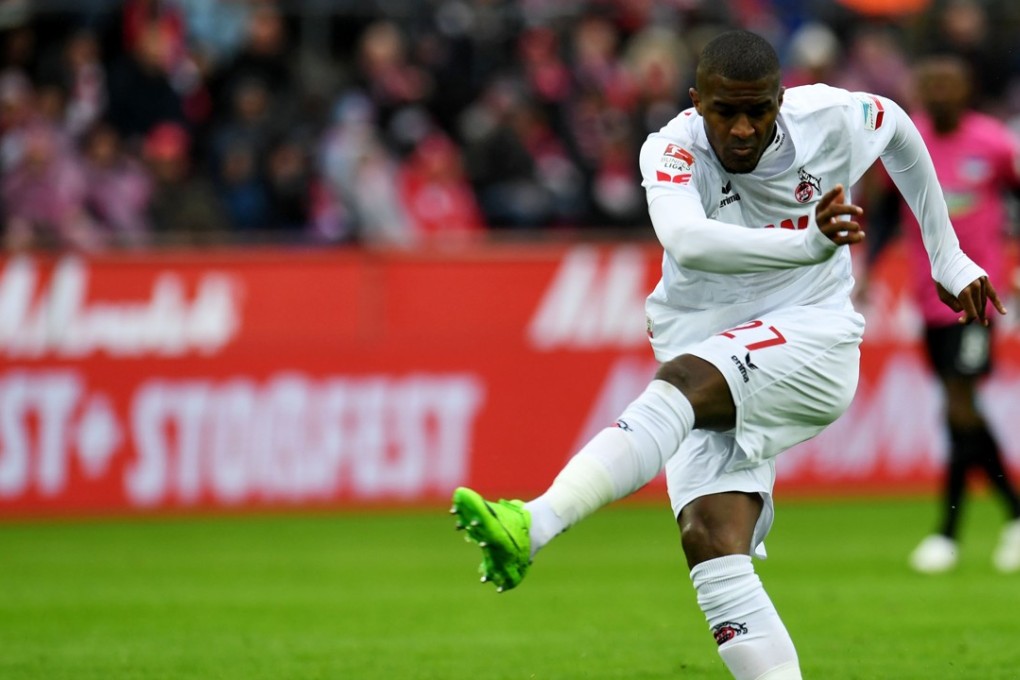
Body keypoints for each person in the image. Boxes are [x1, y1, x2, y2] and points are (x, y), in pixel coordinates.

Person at [450, 30, 1002, 680]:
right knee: (709, 538)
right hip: (715, 346)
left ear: (780, 100)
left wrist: (946, 253)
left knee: (680, 383)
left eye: (758, 112)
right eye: (725, 113)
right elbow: (687, 241)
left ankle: (534, 523)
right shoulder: (671, 150)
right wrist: (808, 243)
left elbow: (897, 127)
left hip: (812, 337)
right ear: (697, 102)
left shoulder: (825, 117)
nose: (742, 129)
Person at [886, 55, 1020, 575]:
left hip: (977, 296)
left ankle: (947, 533)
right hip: (928, 299)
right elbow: (881, 207)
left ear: (967, 91)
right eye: (931, 83)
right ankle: (1009, 520)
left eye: (950, 84)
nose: (940, 92)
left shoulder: (992, 142)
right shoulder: (905, 143)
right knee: (956, 411)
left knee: (960, 407)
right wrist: (873, 267)